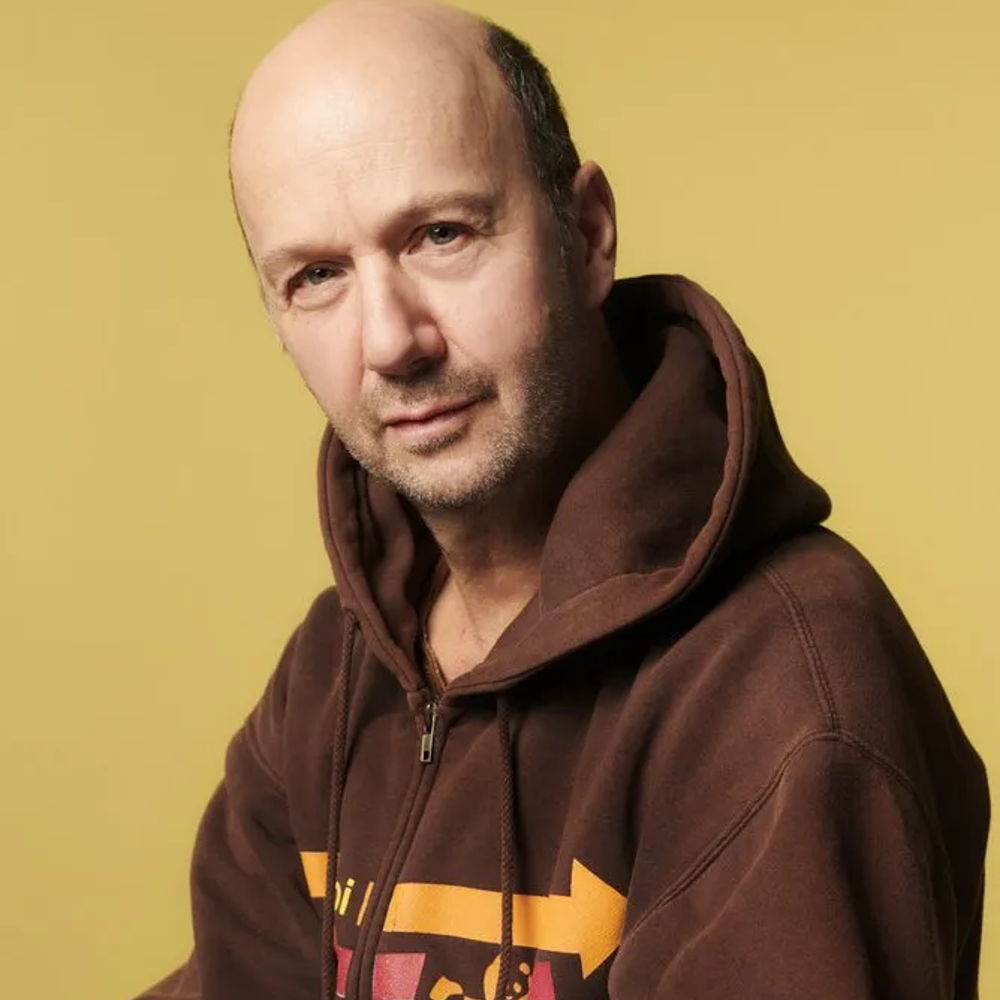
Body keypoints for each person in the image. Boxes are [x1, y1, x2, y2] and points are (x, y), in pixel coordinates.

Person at [137, 1, 990, 998]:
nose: (391, 341)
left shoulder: (785, 688)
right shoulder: (333, 673)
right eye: (317, 275)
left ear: (586, 234)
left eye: (441, 234)